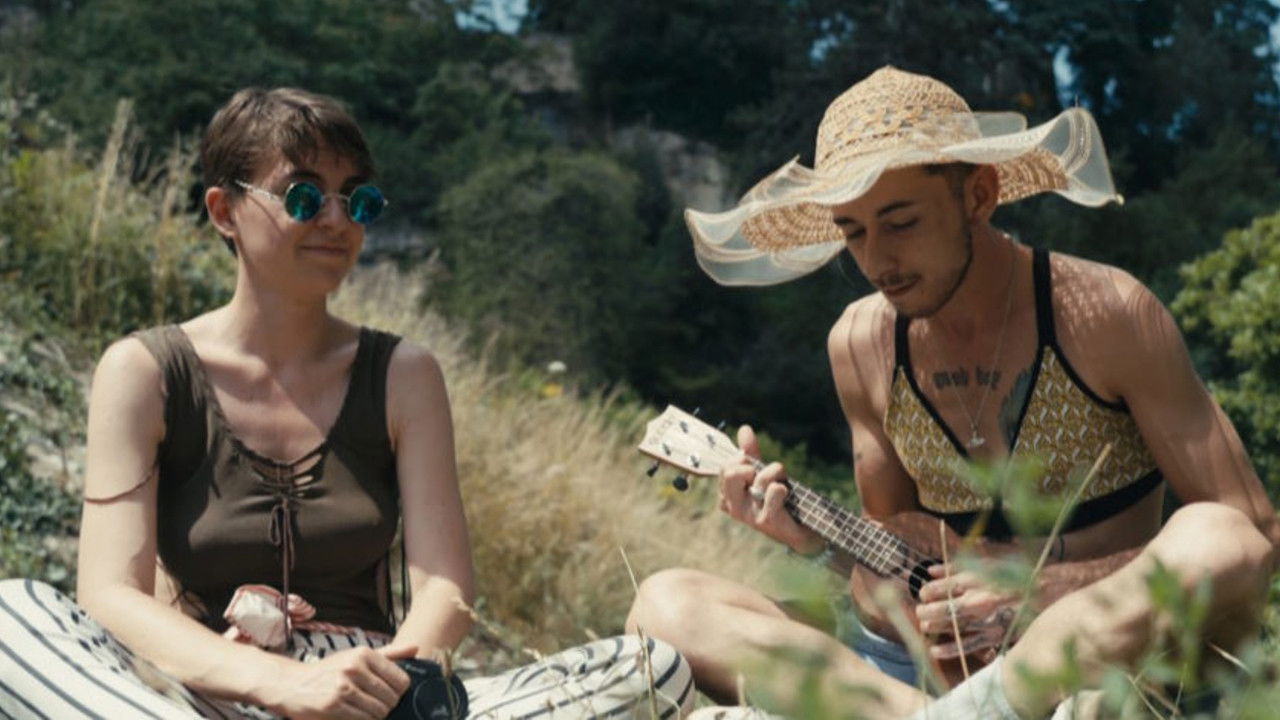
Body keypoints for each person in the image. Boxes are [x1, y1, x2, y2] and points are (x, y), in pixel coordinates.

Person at [0, 87, 691, 720]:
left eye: (357, 201)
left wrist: (380, 690)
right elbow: (110, 594)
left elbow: (444, 591)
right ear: (223, 211)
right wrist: (274, 682)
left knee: (651, 667)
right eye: (303, 197)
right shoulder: (146, 371)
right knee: (10, 616)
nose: (335, 220)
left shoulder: (403, 374)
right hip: (203, 690)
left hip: (372, 691)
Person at [626, 66, 1278, 716]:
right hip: (935, 680)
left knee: (1217, 533)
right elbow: (900, 572)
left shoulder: (1106, 313)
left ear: (979, 195)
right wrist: (815, 542)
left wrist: (1044, 590)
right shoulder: (860, 344)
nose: (876, 260)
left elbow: (1258, 536)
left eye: (900, 221)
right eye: (852, 231)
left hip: (1099, 661)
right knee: (666, 602)